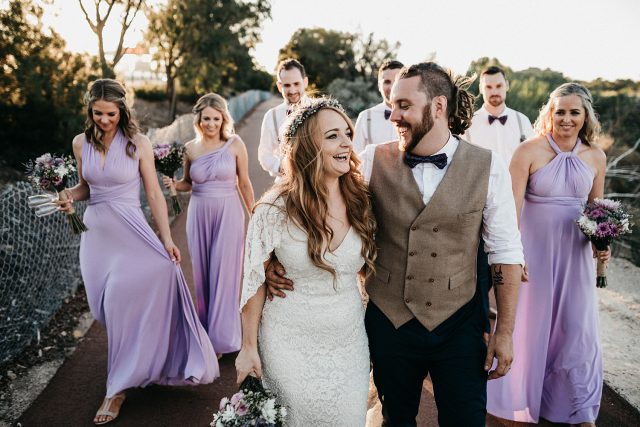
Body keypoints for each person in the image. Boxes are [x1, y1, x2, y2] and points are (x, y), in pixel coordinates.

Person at [266, 62, 525, 426]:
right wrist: (275, 256)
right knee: (395, 420)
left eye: (403, 105)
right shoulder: (372, 159)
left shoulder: (490, 166)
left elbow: (506, 253)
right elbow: (319, 202)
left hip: (461, 325)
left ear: (438, 107)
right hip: (390, 320)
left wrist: (506, 333)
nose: (393, 115)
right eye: (392, 104)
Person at [60, 79, 218, 425]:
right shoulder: (79, 143)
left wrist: (167, 239)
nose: (104, 120)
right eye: (97, 113)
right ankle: (142, 361)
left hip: (131, 230)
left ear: (122, 110)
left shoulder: (138, 143)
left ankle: (116, 388)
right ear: (90, 110)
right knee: (104, 307)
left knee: (129, 293)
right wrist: (67, 196)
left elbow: (154, 194)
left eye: (110, 114)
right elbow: (87, 187)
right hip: (97, 236)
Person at [235, 98, 377, 426]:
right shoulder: (273, 209)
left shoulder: (362, 201)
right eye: (332, 136)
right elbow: (253, 279)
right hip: (286, 343)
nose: (346, 143)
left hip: (348, 344)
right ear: (306, 147)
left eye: (347, 133)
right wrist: (247, 347)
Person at [487, 82, 609, 426]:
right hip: (534, 253)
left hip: (576, 255)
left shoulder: (596, 156)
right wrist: (514, 255)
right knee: (532, 327)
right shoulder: (528, 151)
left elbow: (596, 211)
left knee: (577, 330)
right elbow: (511, 208)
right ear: (549, 114)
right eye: (560, 112)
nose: (566, 119)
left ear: (585, 117)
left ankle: (579, 408)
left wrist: (604, 242)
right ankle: (522, 402)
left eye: (574, 112)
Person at [163, 93, 254, 357]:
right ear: (199, 120)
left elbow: (244, 183)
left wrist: (255, 215)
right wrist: (174, 185)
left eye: (216, 118)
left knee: (225, 274)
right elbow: (188, 183)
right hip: (199, 213)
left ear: (224, 119)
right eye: (206, 119)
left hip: (228, 212)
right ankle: (206, 333)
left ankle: (222, 340)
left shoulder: (235, 144)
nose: (211, 124)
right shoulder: (190, 149)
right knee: (204, 275)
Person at [465, 66, 535, 165]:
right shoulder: (468, 125)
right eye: (488, 87)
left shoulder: (522, 121)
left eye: (499, 86)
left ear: (507, 85)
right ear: (481, 88)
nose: (494, 92)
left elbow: (532, 158)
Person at [258, 58, 311, 181]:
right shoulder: (272, 116)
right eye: (287, 85)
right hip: (286, 185)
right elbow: (264, 155)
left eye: (296, 84)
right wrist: (283, 168)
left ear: (305, 82)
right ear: (279, 86)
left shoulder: (320, 110)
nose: (292, 91)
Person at [352, 60, 404, 153]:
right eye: (387, 82)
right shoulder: (365, 117)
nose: (392, 87)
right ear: (379, 86)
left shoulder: (416, 115)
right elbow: (356, 155)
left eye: (396, 81)